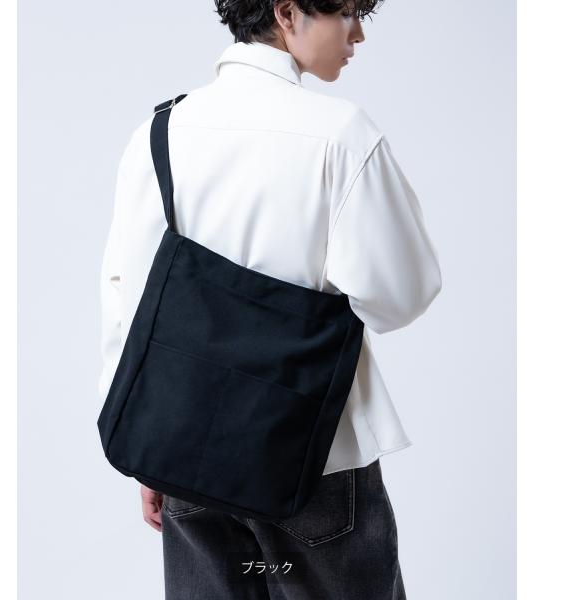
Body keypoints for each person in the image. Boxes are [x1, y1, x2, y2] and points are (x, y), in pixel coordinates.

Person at [98, 1, 442, 598]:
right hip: (315, 456)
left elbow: (126, 294)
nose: (358, 34)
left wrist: (145, 445)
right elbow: (401, 294)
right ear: (287, 11)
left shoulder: (161, 132)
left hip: (183, 451)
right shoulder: (341, 134)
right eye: (347, 12)